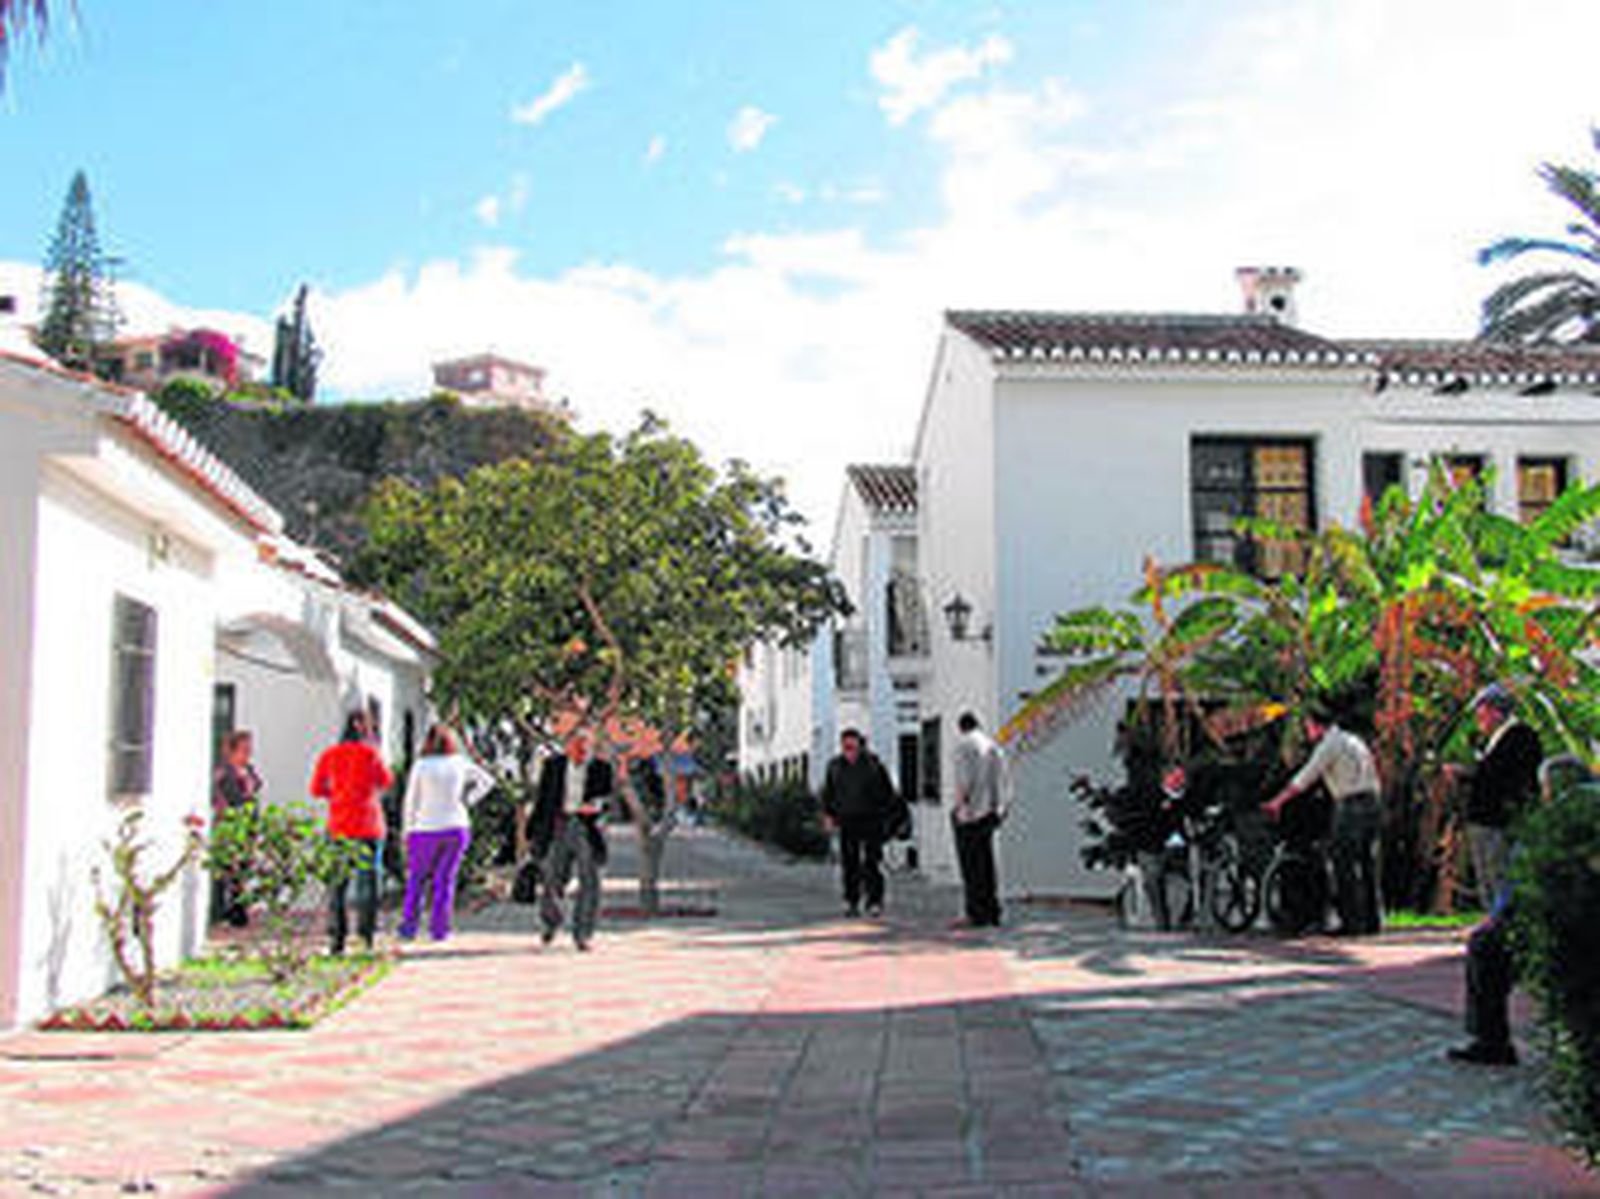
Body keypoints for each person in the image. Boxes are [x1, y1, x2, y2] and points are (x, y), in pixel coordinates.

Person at [1447, 755, 1586, 1067]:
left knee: (1486, 946)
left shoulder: (1550, 823)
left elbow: (1520, 883)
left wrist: (1495, 918)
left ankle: (1491, 1040)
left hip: (1562, 927)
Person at [1262, 703, 1382, 935]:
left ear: (1317, 726)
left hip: (1350, 805)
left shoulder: (1330, 745)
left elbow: (1304, 778)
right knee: (1366, 864)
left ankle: (1352, 922)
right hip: (1372, 802)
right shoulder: (1353, 740)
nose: (1307, 732)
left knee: (1344, 863)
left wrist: (1277, 802)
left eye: (1308, 726)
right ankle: (1371, 921)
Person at [398, 724, 496, 943]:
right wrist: (467, 800)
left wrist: (406, 830)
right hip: (456, 826)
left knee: (417, 880)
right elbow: (487, 781)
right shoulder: (459, 763)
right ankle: (439, 930)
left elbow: (411, 800)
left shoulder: (421, 766)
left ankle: (409, 927)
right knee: (445, 881)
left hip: (424, 828)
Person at [310, 710, 394, 955]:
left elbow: (316, 789)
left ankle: (337, 940)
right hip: (368, 825)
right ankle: (365, 937)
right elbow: (386, 781)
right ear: (361, 727)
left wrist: (338, 796)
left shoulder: (330, 755)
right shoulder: (370, 754)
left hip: (339, 825)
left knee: (338, 884)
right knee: (367, 883)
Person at [1454, 685, 1543, 911]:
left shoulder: (1520, 736)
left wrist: (1467, 773)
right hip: (1485, 818)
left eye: (1481, 711)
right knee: (1486, 873)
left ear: (1495, 711)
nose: (1478, 718)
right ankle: (1492, 921)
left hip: (1499, 819)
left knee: (1499, 872)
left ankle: (1502, 923)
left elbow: (1501, 775)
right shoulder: (1495, 738)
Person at [529, 729, 613, 951]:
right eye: (578, 747)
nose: (582, 752)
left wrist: (597, 807)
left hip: (587, 827)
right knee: (552, 879)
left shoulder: (601, 768)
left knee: (590, 881)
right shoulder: (554, 766)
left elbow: (608, 800)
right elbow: (542, 799)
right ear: (568, 747)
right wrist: (533, 833)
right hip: (559, 823)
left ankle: (583, 934)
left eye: (586, 748)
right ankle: (550, 924)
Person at [819, 728, 898, 917]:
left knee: (872, 862)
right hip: (847, 821)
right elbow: (828, 793)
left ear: (860, 745)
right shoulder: (835, 766)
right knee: (849, 863)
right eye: (845, 747)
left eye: (852, 746)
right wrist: (828, 816)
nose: (849, 750)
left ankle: (874, 901)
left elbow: (888, 793)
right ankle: (851, 901)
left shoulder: (873, 765)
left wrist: (886, 818)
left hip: (871, 821)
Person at [951, 712, 1009, 928]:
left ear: (961, 727)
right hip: (990, 814)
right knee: (987, 864)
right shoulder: (993, 746)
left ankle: (975, 914)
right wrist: (1000, 810)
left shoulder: (964, 746)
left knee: (971, 867)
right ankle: (992, 912)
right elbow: (1004, 781)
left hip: (970, 815)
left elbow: (964, 781)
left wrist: (959, 808)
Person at [210, 730, 261, 927]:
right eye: (244, 749)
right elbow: (225, 796)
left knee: (244, 866)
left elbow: (255, 787)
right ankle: (229, 911)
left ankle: (239, 908)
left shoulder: (248, 770)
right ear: (232, 751)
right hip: (231, 824)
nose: (248, 753)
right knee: (230, 868)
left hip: (247, 823)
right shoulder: (223, 773)